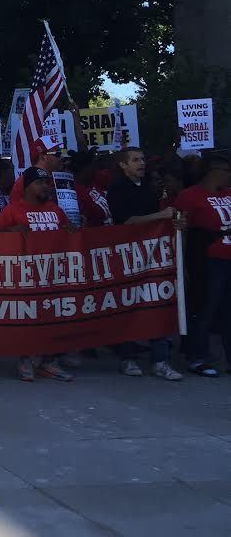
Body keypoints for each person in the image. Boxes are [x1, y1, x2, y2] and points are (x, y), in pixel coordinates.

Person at [106, 146, 185, 380]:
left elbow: (159, 223)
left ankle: (160, 360)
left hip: (152, 255)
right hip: (128, 255)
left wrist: (175, 224)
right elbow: (127, 221)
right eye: (135, 160)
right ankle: (127, 358)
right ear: (123, 165)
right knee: (129, 305)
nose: (141, 163)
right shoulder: (117, 189)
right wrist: (161, 216)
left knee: (156, 302)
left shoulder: (149, 189)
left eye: (142, 159)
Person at [0, 166, 76, 383]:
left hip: (55, 275)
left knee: (54, 318)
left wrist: (73, 231)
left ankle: (49, 362)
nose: (45, 186)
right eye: (40, 183)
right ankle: (26, 359)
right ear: (28, 187)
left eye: (46, 182)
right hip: (27, 277)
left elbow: (69, 234)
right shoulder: (13, 210)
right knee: (29, 319)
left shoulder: (56, 210)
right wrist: (11, 232)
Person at [175, 154, 231, 377]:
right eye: (226, 171)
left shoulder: (229, 194)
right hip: (207, 260)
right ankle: (198, 357)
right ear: (213, 171)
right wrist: (182, 264)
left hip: (228, 258)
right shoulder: (190, 196)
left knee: (228, 311)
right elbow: (182, 232)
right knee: (205, 309)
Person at [9, 136, 63, 202]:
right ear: (43, 157)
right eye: (57, 154)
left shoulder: (57, 179)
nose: (61, 157)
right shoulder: (26, 181)